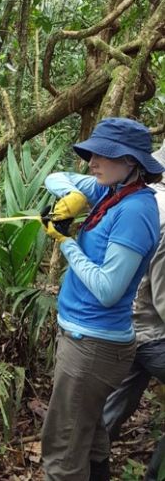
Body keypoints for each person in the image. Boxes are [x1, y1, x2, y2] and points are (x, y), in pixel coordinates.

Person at [40, 117, 164, 481]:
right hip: (85, 339)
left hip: (93, 346)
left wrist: (67, 244)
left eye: (102, 155)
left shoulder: (136, 212)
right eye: (91, 153)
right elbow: (55, 178)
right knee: (91, 437)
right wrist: (73, 197)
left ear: (130, 161)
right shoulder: (110, 191)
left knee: (63, 452)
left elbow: (109, 289)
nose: (92, 161)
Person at [103, 141, 165, 481]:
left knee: (111, 411)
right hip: (153, 333)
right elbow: (162, 295)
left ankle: (84, 469)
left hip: (122, 329)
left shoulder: (129, 197)